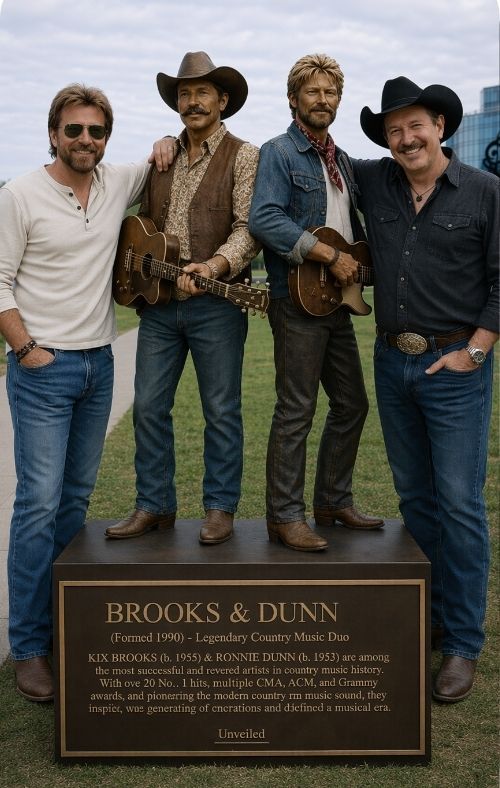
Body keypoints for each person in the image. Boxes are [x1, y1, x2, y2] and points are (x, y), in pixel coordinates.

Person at [0, 83, 172, 702]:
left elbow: (162, 156)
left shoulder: (115, 182)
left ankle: (60, 626)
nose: (85, 140)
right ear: (53, 134)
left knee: (73, 504)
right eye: (73, 130)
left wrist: (166, 139)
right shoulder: (19, 195)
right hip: (43, 369)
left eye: (96, 131)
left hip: (99, 366)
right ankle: (29, 647)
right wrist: (26, 348)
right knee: (38, 505)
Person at [352, 77, 499, 702]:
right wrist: (173, 141)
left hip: (455, 366)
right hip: (393, 363)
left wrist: (475, 352)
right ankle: (433, 617)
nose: (406, 138)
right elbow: (310, 154)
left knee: (460, 503)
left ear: (440, 126)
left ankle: (463, 643)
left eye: (415, 125)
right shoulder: (374, 180)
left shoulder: (485, 191)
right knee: (416, 500)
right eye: (394, 130)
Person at [105, 52, 260, 546]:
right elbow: (137, 225)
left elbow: (248, 229)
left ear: (223, 100)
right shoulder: (162, 157)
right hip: (158, 303)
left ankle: (220, 508)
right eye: (185, 94)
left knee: (221, 411)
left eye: (202, 93)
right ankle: (154, 505)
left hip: (217, 304)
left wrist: (213, 267)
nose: (192, 102)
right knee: (149, 408)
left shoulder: (245, 155)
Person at [248, 54, 383, 553]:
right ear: (293, 99)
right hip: (297, 301)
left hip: (336, 303)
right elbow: (264, 218)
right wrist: (327, 254)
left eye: (330, 92)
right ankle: (284, 517)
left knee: (352, 404)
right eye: (313, 91)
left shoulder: (341, 160)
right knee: (296, 410)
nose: (323, 100)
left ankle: (332, 502)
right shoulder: (279, 152)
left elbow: (350, 226)